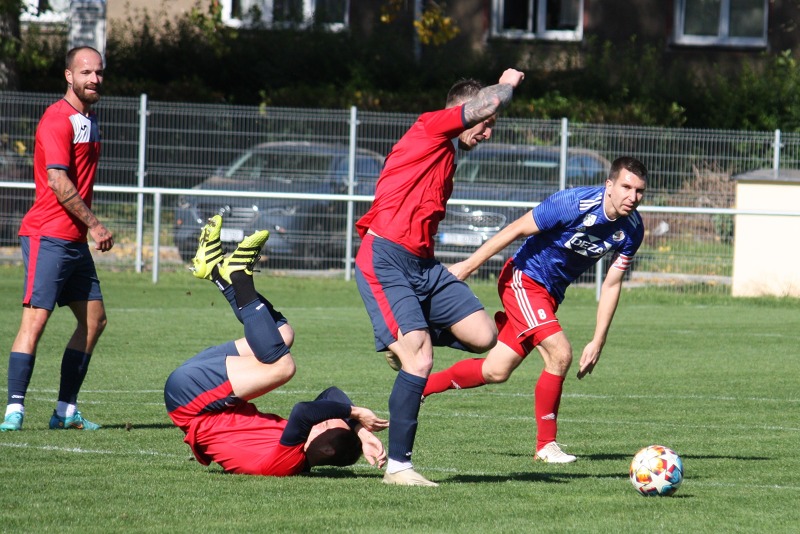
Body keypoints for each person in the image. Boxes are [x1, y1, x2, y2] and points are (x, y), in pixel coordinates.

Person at [355, 68, 526, 486]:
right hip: (385, 258)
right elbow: (487, 102)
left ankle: (404, 337)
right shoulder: (430, 127)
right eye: (486, 124)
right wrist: (507, 84)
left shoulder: (447, 153)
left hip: (423, 265)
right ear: (465, 112)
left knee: (484, 335)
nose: (488, 132)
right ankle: (399, 468)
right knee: (420, 359)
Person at [421, 156, 648, 463]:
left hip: (549, 296)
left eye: (639, 191)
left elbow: (612, 284)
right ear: (609, 185)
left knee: (496, 371)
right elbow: (516, 229)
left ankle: (420, 386)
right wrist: (469, 266)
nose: (632, 197)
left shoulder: (632, 230)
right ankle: (546, 445)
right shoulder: (573, 203)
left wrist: (598, 340)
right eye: (626, 187)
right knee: (560, 353)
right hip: (523, 280)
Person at [165, 218, 388, 476]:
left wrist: (354, 412)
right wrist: (360, 430)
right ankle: (216, 272)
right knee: (283, 334)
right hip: (207, 395)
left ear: (326, 449)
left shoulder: (287, 461)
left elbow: (305, 411)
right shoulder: (301, 445)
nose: (322, 420)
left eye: (325, 424)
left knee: (283, 367)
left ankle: (239, 275)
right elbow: (331, 394)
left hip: (193, 399)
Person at [1, 46, 113, 432]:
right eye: (85, 72)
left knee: (94, 320)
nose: (94, 79)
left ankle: (65, 411)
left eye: (99, 72)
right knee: (35, 321)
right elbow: (57, 180)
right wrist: (95, 225)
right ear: (69, 76)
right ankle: (14, 410)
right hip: (47, 234)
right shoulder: (57, 118)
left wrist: (86, 230)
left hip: (73, 241)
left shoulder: (90, 120)